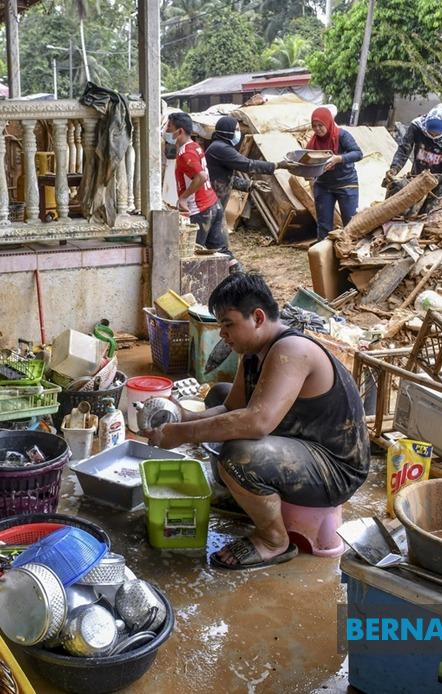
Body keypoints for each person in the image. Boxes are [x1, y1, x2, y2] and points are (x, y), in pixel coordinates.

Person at [145, 273, 370, 570]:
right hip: (300, 445)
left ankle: (275, 540)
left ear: (258, 317)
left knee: (239, 457)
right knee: (218, 395)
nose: (223, 334)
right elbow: (231, 407)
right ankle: (249, 497)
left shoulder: (293, 350)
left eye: (229, 324)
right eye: (220, 325)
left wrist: (183, 433)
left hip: (335, 467)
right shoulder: (254, 352)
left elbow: (257, 422)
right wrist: (186, 417)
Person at [165, 112, 235, 268]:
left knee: (193, 257)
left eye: (169, 127)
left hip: (200, 210)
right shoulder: (195, 147)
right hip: (214, 205)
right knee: (222, 253)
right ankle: (240, 279)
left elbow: (201, 176)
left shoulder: (185, 153)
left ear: (180, 131)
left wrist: (183, 197)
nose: (166, 131)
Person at [383, 104, 442, 214]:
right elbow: (404, 149)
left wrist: (438, 179)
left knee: (430, 213)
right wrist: (395, 168)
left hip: (439, 180)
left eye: (436, 134)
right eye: (430, 132)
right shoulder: (417, 126)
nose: (433, 135)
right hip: (417, 174)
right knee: (405, 209)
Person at [305, 107, 363, 241]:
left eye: (321, 125)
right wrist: (307, 172)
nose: (318, 129)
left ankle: (350, 254)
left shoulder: (342, 135)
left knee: (351, 223)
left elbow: (358, 153)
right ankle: (324, 257)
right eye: (314, 126)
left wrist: (339, 158)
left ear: (328, 122)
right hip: (324, 186)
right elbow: (306, 160)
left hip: (346, 183)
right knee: (324, 225)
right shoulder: (313, 142)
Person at [204, 116, 287, 209]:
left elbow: (226, 179)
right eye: (236, 129)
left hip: (215, 204)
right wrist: (278, 165)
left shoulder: (220, 146)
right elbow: (248, 165)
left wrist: (251, 184)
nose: (239, 132)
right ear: (228, 131)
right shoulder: (220, 148)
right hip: (210, 205)